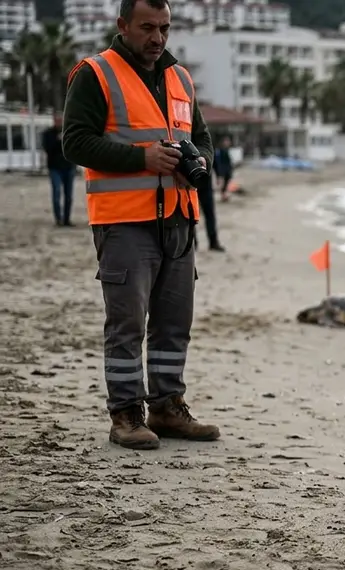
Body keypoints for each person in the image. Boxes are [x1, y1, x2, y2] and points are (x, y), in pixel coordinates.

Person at [61, 0, 221, 450]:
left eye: (165, 28)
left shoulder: (180, 77)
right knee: (127, 322)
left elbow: (203, 139)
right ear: (122, 25)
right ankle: (126, 415)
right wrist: (142, 158)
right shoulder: (95, 73)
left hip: (178, 219)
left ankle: (168, 408)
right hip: (124, 221)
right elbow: (74, 142)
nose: (158, 38)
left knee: (174, 323)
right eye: (147, 27)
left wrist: (200, 160)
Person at [42, 114, 77, 226]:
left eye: (61, 120)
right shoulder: (48, 134)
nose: (59, 122)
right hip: (55, 168)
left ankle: (67, 219)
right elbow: (47, 149)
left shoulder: (69, 133)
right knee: (56, 193)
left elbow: (74, 147)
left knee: (68, 196)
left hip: (68, 167)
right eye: (57, 120)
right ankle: (58, 219)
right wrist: (57, 140)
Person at [213, 135, 234, 202]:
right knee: (223, 183)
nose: (228, 143)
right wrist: (219, 173)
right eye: (226, 141)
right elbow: (218, 162)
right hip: (222, 170)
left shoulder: (226, 150)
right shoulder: (219, 150)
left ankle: (224, 194)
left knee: (226, 182)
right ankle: (223, 195)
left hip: (227, 170)